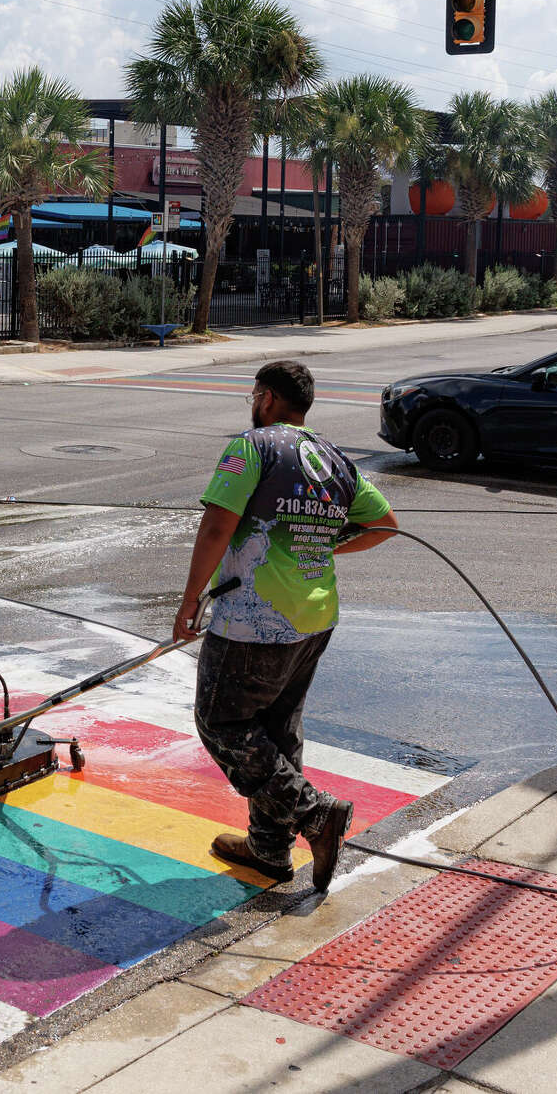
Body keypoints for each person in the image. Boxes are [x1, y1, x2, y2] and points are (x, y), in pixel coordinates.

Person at [174, 359, 397, 895]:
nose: (253, 404)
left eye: (255, 395)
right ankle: (269, 850)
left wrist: (188, 601)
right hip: (315, 617)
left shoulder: (253, 447)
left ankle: (315, 814)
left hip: (257, 620)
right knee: (276, 733)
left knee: (222, 725)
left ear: (267, 398)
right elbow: (384, 525)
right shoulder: (334, 458)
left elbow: (217, 524)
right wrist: (321, 543)